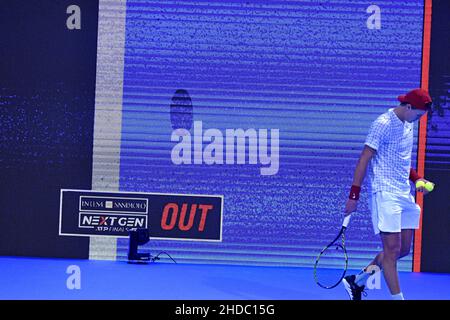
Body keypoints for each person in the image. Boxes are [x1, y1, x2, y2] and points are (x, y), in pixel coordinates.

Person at [342, 88, 433, 300]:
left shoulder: (408, 124)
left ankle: (357, 281)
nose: (419, 120)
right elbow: (364, 158)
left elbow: (400, 161)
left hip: (404, 193)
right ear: (408, 107)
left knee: (402, 250)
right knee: (391, 251)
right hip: (384, 193)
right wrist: (353, 195)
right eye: (418, 115)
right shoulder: (382, 124)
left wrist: (417, 178)